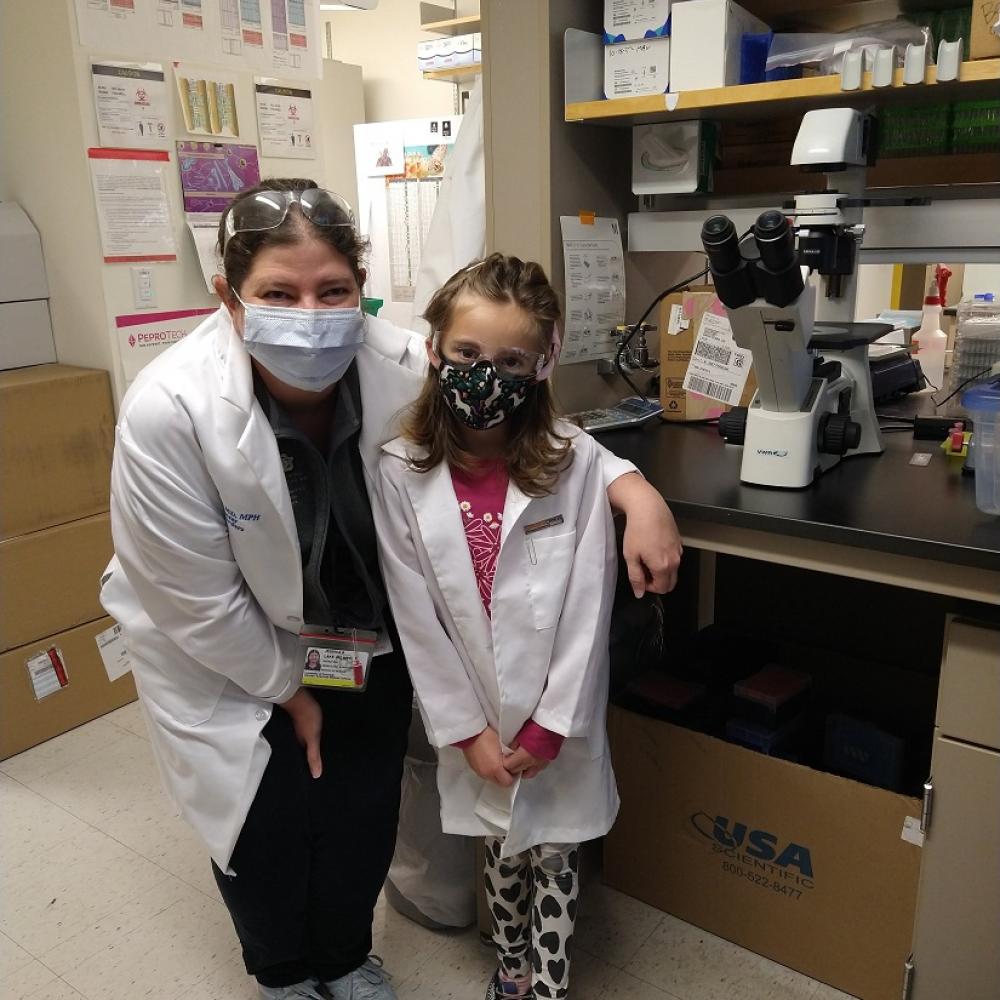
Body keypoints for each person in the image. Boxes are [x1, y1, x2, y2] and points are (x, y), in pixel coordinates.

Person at [99, 178, 682, 1000]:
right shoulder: (170, 408)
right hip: (226, 653)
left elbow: (528, 429)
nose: (309, 313)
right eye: (278, 292)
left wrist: (634, 488)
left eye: (331, 289)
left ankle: (344, 956)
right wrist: (285, 689)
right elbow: (189, 597)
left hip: (359, 638)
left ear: (359, 289)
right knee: (264, 824)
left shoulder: (403, 358)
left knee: (362, 805)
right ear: (229, 296)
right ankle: (283, 974)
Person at [372, 254, 622, 1000]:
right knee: (498, 845)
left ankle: (548, 982)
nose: (487, 376)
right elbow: (417, 618)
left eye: (511, 360)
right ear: (434, 351)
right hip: (474, 716)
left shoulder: (574, 465)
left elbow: (589, 606)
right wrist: (465, 732)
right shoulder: (400, 470)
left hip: (556, 721)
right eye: (468, 355)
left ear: (543, 364)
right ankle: (509, 969)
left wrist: (553, 725)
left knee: (556, 851)